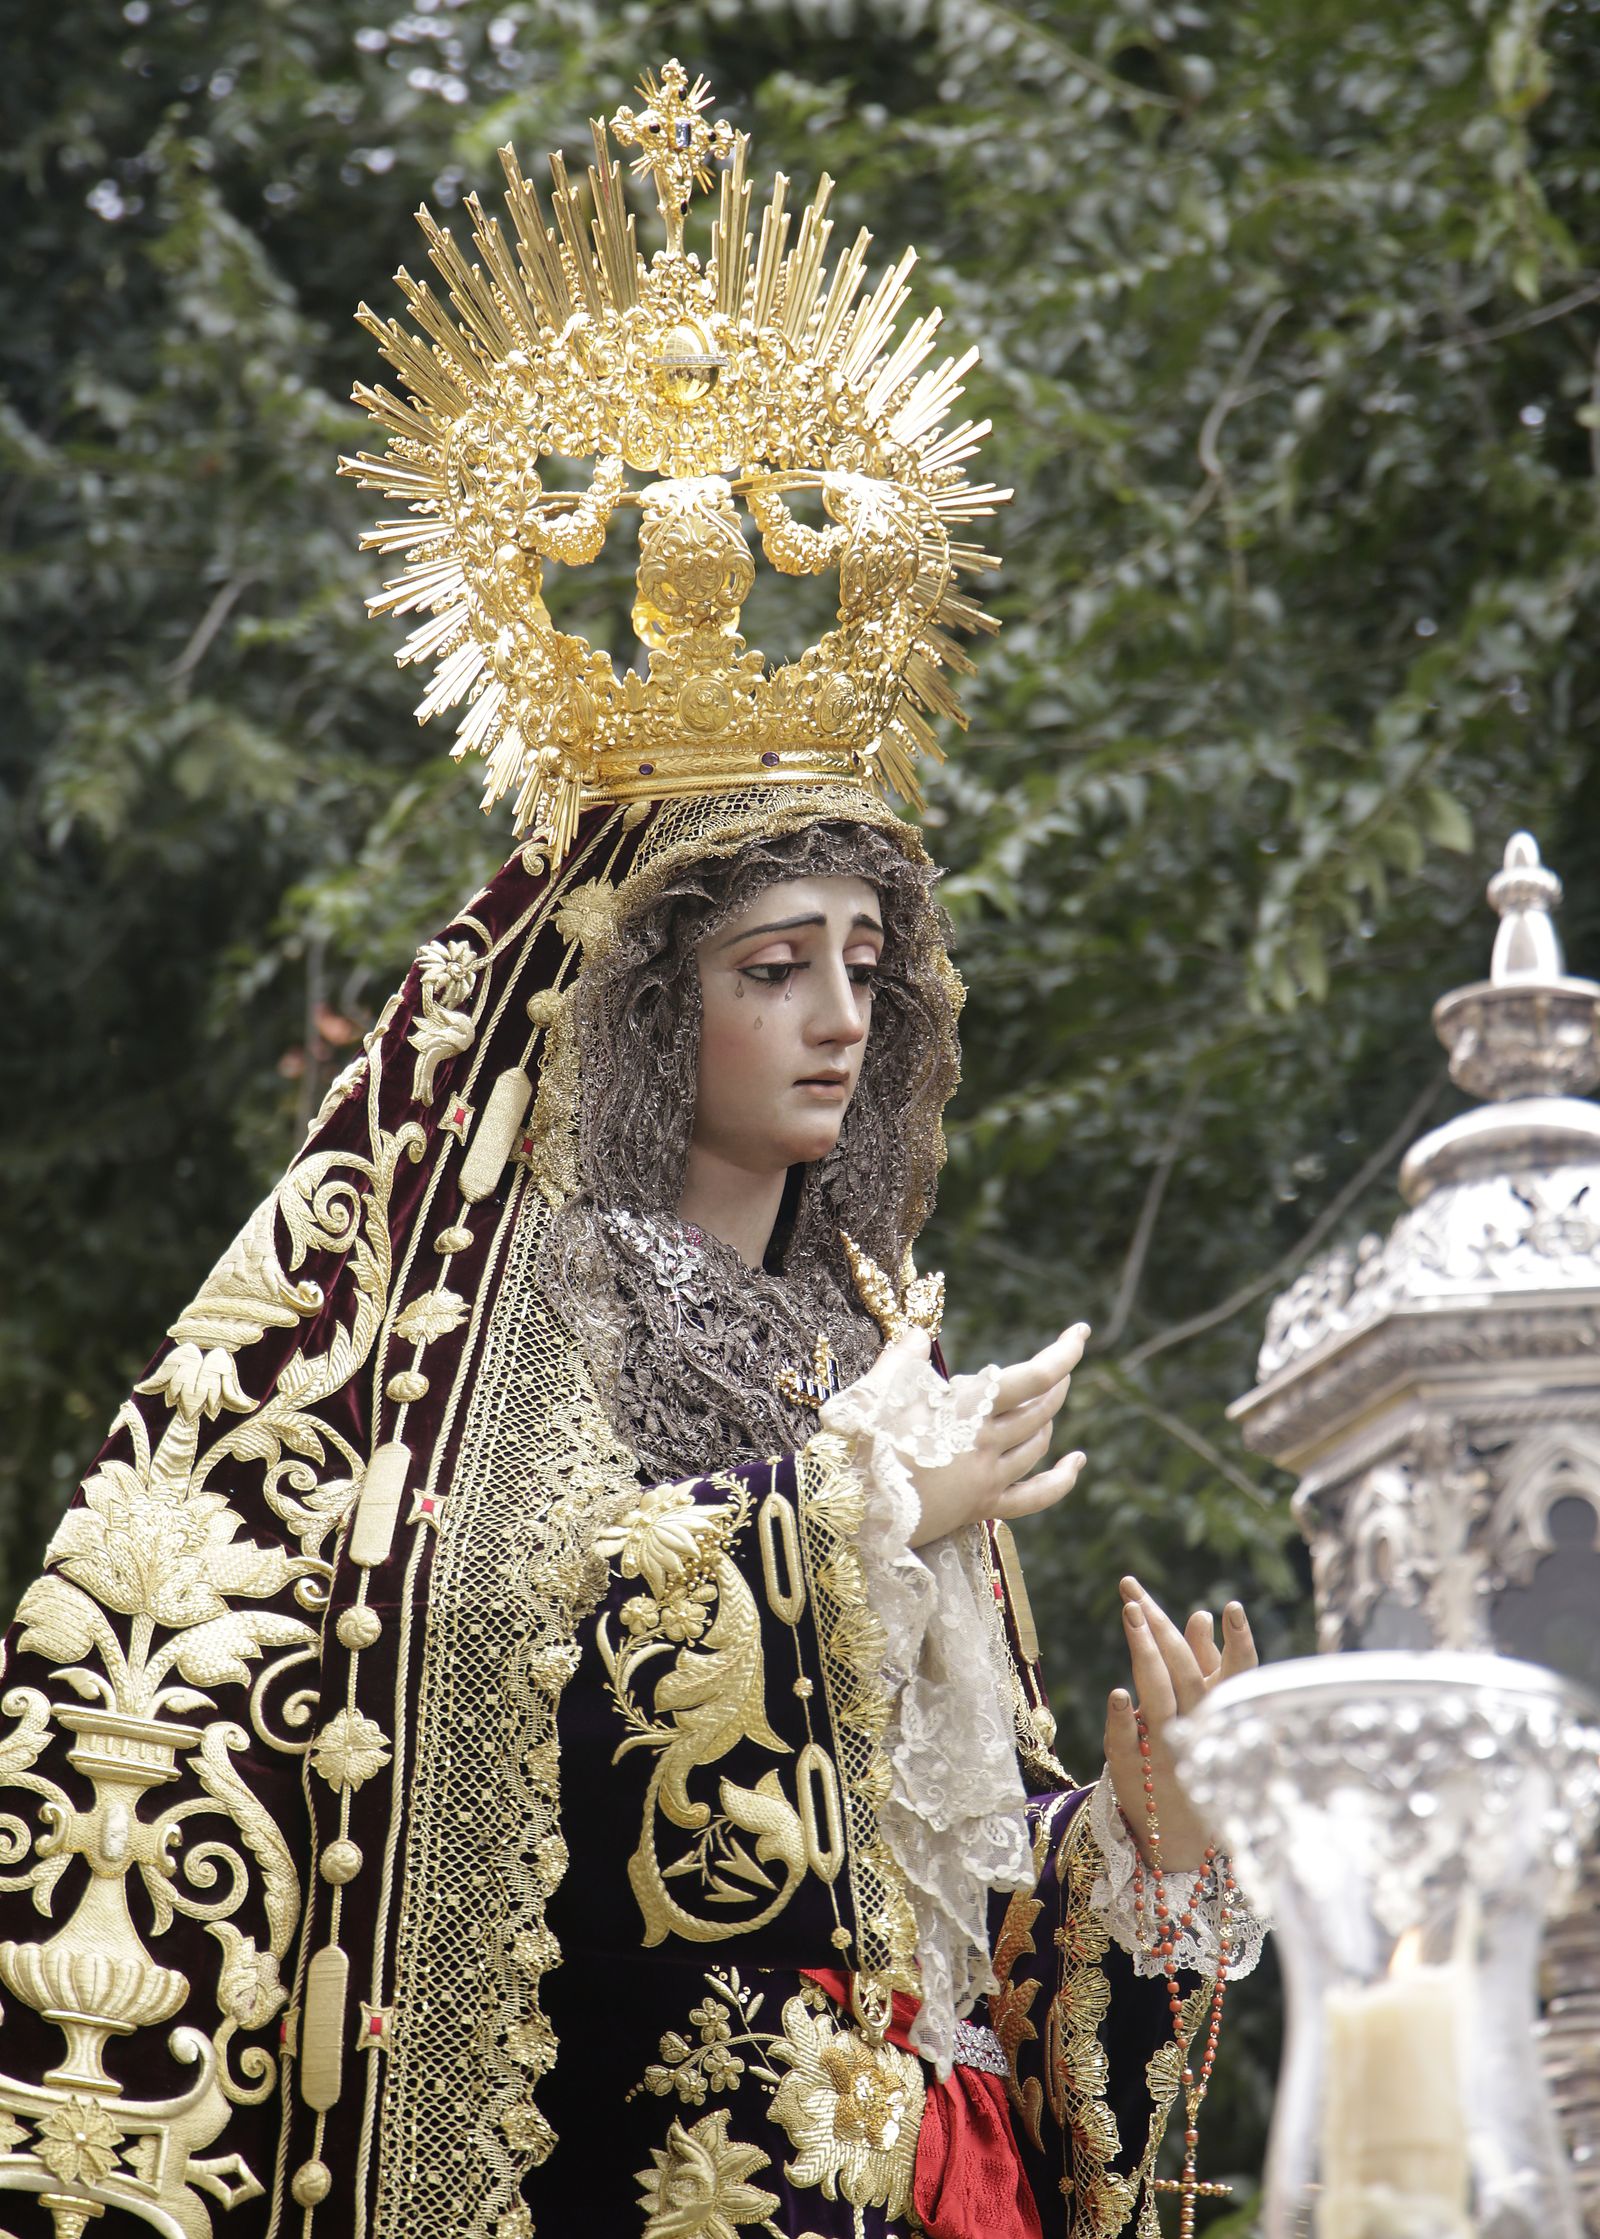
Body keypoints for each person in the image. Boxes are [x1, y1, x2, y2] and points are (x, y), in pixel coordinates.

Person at [0, 64, 1264, 2239]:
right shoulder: (511, 1321)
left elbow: (935, 1898)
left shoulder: (859, 1350)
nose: (842, 1016)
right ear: (649, 1008)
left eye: (865, 962)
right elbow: (455, 1664)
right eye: (777, 966)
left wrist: (1135, 1847)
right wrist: (844, 1527)